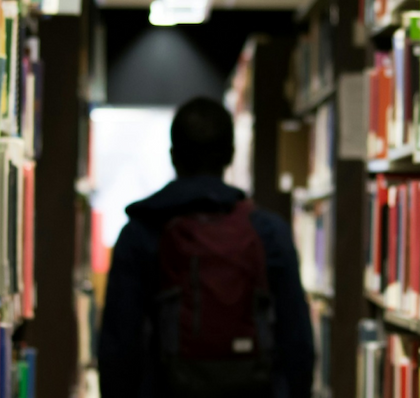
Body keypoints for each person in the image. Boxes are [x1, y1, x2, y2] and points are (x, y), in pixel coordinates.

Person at [97, 97, 315, 398]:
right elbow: (298, 341)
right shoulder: (268, 232)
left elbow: (118, 345)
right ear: (230, 156)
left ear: (173, 156)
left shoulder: (141, 232)